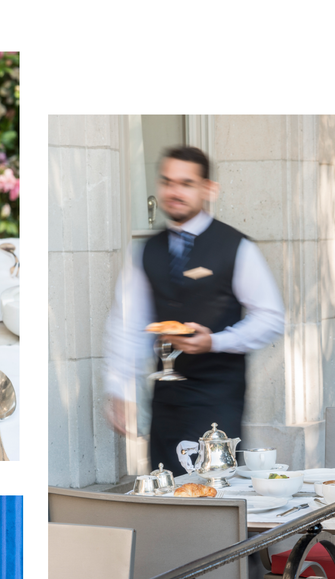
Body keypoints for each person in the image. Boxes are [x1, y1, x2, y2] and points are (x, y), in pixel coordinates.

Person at [105, 144, 286, 476]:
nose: (175, 192)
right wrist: (119, 389)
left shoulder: (236, 247)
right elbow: (128, 325)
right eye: (168, 182)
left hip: (218, 399)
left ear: (208, 189)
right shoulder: (145, 251)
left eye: (186, 183)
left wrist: (215, 341)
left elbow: (271, 318)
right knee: (166, 490)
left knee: (216, 492)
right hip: (165, 403)